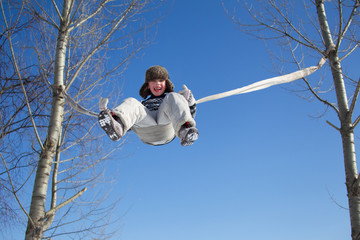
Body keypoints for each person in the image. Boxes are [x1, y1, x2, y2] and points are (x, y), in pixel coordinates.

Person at [98, 65, 199, 146]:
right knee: (132, 102)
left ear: (166, 83)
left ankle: (184, 131)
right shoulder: (142, 104)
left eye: (161, 81)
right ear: (147, 85)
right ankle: (117, 125)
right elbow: (131, 122)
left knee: (174, 96)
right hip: (146, 128)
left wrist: (189, 103)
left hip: (166, 126)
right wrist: (110, 115)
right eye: (153, 81)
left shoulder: (169, 99)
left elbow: (185, 113)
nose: (157, 84)